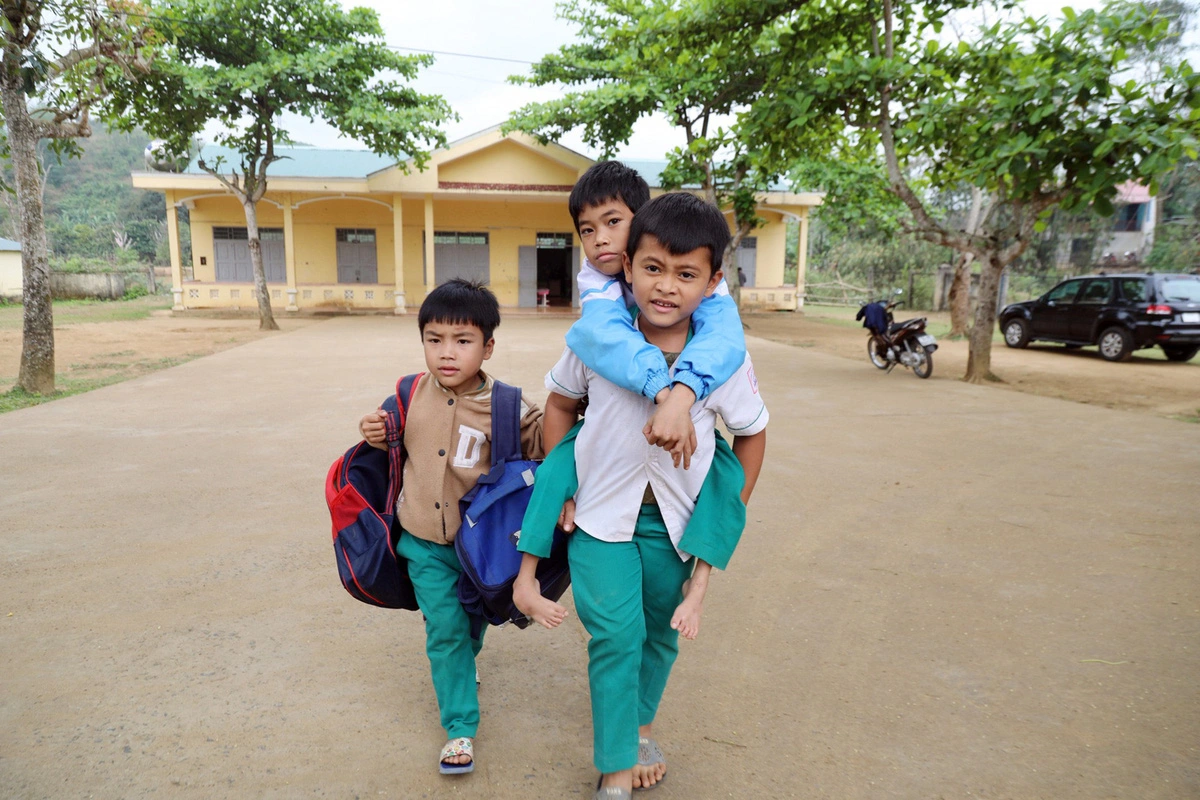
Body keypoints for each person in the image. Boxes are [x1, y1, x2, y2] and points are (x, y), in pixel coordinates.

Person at [516, 193, 769, 799]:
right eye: (653, 268)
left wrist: (726, 510)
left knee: (658, 636)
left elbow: (754, 431)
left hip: (675, 527)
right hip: (601, 520)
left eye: (686, 275)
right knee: (615, 637)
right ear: (627, 267)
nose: (666, 287)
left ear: (712, 284)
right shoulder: (598, 342)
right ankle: (615, 772)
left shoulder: (724, 361)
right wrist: (565, 482)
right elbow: (557, 403)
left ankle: (641, 729)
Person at [357, 278, 544, 776]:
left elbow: (547, 440)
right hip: (420, 541)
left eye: (462, 341)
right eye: (434, 339)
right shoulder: (407, 392)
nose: (447, 352)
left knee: (472, 622)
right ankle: (460, 727)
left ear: (488, 346)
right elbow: (387, 438)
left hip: (478, 551)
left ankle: (467, 656)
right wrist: (373, 432)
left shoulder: (507, 406)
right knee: (444, 630)